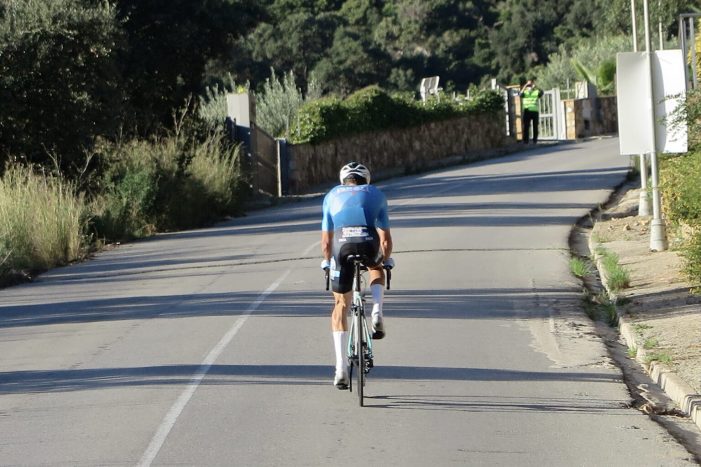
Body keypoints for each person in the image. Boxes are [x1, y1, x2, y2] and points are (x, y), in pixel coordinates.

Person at [320, 162, 394, 389]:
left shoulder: (331, 195)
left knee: (340, 304)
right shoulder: (377, 194)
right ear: (366, 180)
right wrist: (386, 259)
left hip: (341, 246)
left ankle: (340, 368)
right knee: (376, 267)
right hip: (368, 242)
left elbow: (325, 242)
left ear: (343, 180)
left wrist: (328, 261)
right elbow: (385, 241)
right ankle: (377, 311)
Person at [519, 79, 543, 144]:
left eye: (530, 85)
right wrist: (526, 85)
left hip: (535, 111)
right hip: (527, 111)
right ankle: (525, 141)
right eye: (528, 86)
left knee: (535, 126)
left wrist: (535, 86)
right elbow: (520, 94)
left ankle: (535, 140)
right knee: (526, 126)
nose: (529, 87)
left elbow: (542, 92)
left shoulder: (536, 92)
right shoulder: (525, 92)